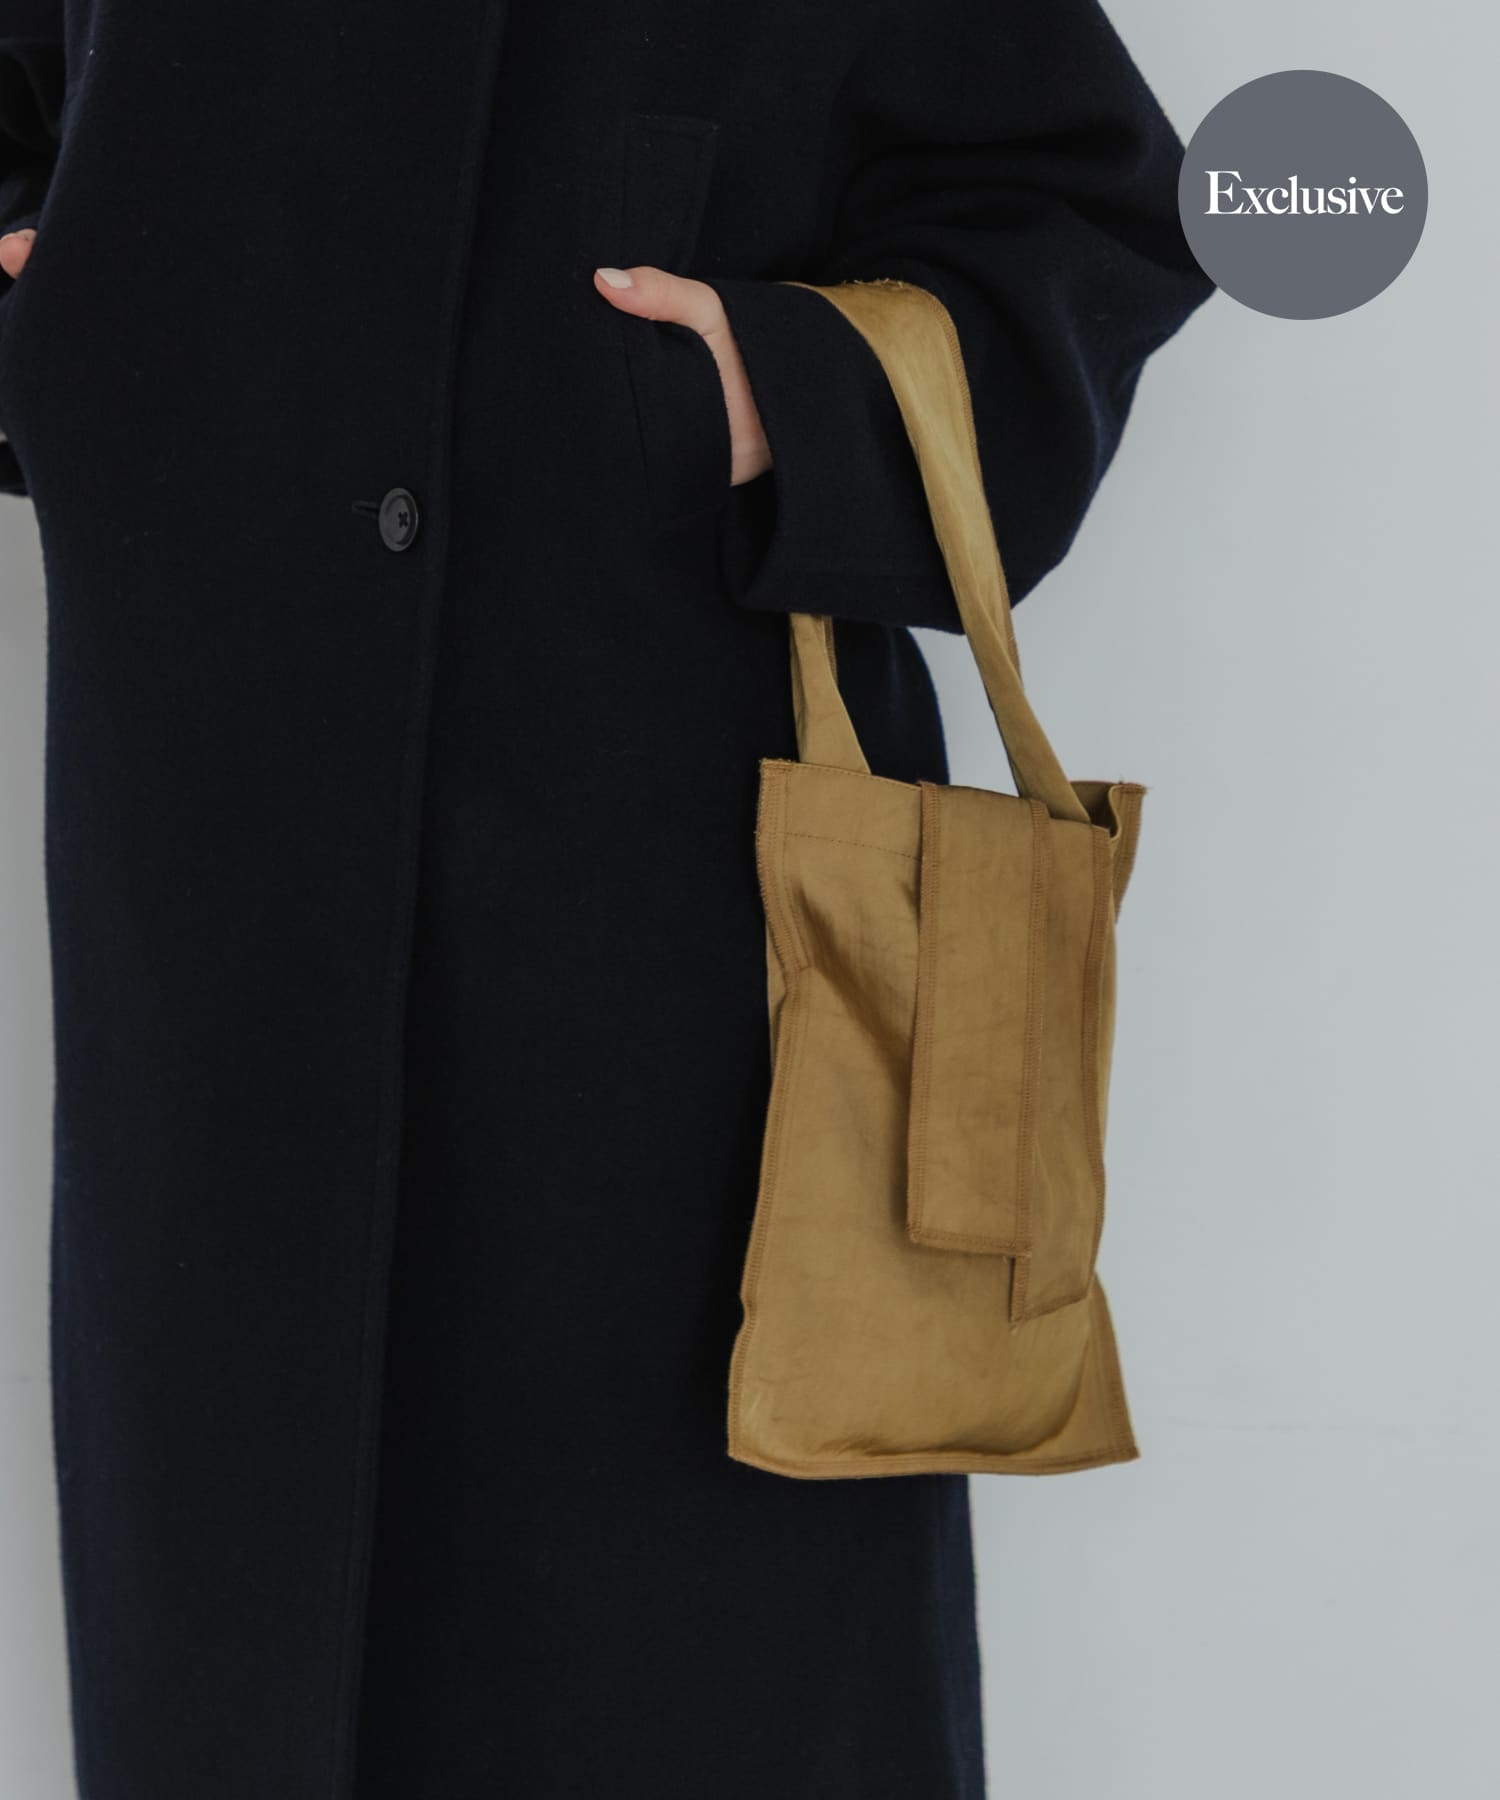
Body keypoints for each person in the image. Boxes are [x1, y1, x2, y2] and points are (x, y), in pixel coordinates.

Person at [0, 3, 1215, 1795]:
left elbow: (1090, 200)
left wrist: (758, 390)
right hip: (213, 880)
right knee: (247, 1621)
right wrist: (71, 319)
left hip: (675, 898)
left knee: (680, 1663)